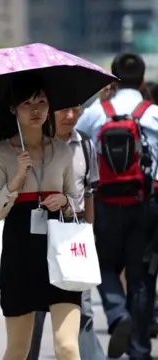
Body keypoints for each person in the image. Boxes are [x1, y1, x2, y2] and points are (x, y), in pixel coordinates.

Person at [0, 73, 80, 360]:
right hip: (19, 251)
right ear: (13, 109)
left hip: (60, 250)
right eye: (26, 103)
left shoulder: (61, 150)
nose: (36, 110)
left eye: (42, 102)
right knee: (17, 350)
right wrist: (17, 178)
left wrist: (63, 201)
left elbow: (76, 202)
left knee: (67, 346)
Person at [76, 52, 158, 360]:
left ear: (112, 79)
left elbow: (76, 139)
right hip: (146, 203)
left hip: (105, 202)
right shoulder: (152, 113)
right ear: (141, 79)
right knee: (142, 278)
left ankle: (116, 313)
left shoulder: (98, 111)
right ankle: (139, 348)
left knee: (104, 265)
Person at [27, 105, 104, 360]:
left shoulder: (85, 144)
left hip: (74, 230)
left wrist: (88, 232)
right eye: (64, 110)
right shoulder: (34, 145)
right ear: (50, 112)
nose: (71, 116)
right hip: (39, 231)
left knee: (83, 306)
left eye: (77, 110)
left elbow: (90, 192)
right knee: (34, 308)